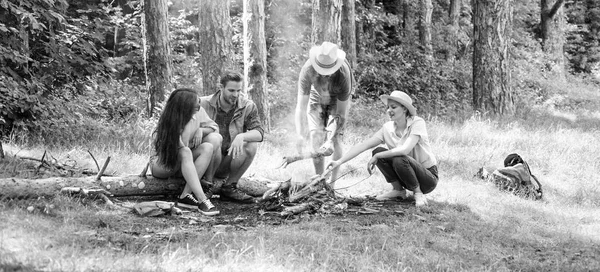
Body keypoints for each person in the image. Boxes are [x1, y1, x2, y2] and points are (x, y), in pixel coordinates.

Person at [324, 91, 438, 207]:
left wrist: (377, 156)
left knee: (396, 157)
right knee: (377, 151)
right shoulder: (387, 128)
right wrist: (338, 162)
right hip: (406, 175)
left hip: (427, 178)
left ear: (404, 109)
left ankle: (418, 194)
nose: (389, 110)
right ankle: (398, 190)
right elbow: (364, 145)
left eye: (393, 107)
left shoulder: (417, 122)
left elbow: (404, 149)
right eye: (388, 107)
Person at [150, 88, 220, 216]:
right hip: (162, 165)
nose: (199, 106)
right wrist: (188, 124)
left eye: (198, 102)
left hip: (182, 162)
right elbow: (181, 147)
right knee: (185, 151)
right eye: (195, 103)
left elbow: (214, 128)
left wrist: (200, 129)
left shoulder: (196, 113)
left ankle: (185, 195)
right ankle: (202, 199)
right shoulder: (170, 122)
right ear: (185, 106)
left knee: (207, 147)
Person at [295, 41, 354, 184]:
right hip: (316, 96)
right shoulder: (308, 69)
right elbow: (301, 107)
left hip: (337, 99)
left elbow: (341, 113)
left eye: (328, 72)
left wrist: (331, 140)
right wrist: (300, 135)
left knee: (336, 141)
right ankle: (320, 181)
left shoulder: (343, 75)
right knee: (316, 135)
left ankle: (332, 183)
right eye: (321, 71)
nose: (325, 75)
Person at [200, 71, 264, 203]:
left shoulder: (247, 106)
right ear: (221, 87)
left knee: (251, 144)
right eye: (231, 90)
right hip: (206, 160)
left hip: (229, 160)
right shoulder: (202, 104)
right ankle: (207, 185)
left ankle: (230, 186)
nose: (235, 95)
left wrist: (241, 136)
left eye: (238, 91)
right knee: (214, 138)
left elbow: (259, 133)